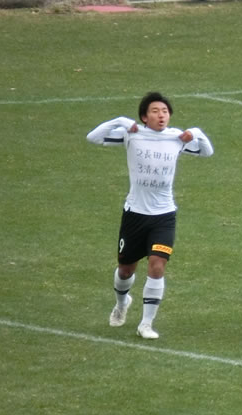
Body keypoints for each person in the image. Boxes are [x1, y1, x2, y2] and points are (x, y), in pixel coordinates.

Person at [87, 91, 214, 339]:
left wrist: (196, 132)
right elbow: (93, 137)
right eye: (155, 111)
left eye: (165, 111)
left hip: (164, 216)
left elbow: (207, 151)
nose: (161, 115)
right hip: (134, 214)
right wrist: (121, 121)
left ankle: (146, 324)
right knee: (125, 270)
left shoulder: (176, 138)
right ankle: (122, 303)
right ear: (144, 117)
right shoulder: (132, 135)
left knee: (157, 265)